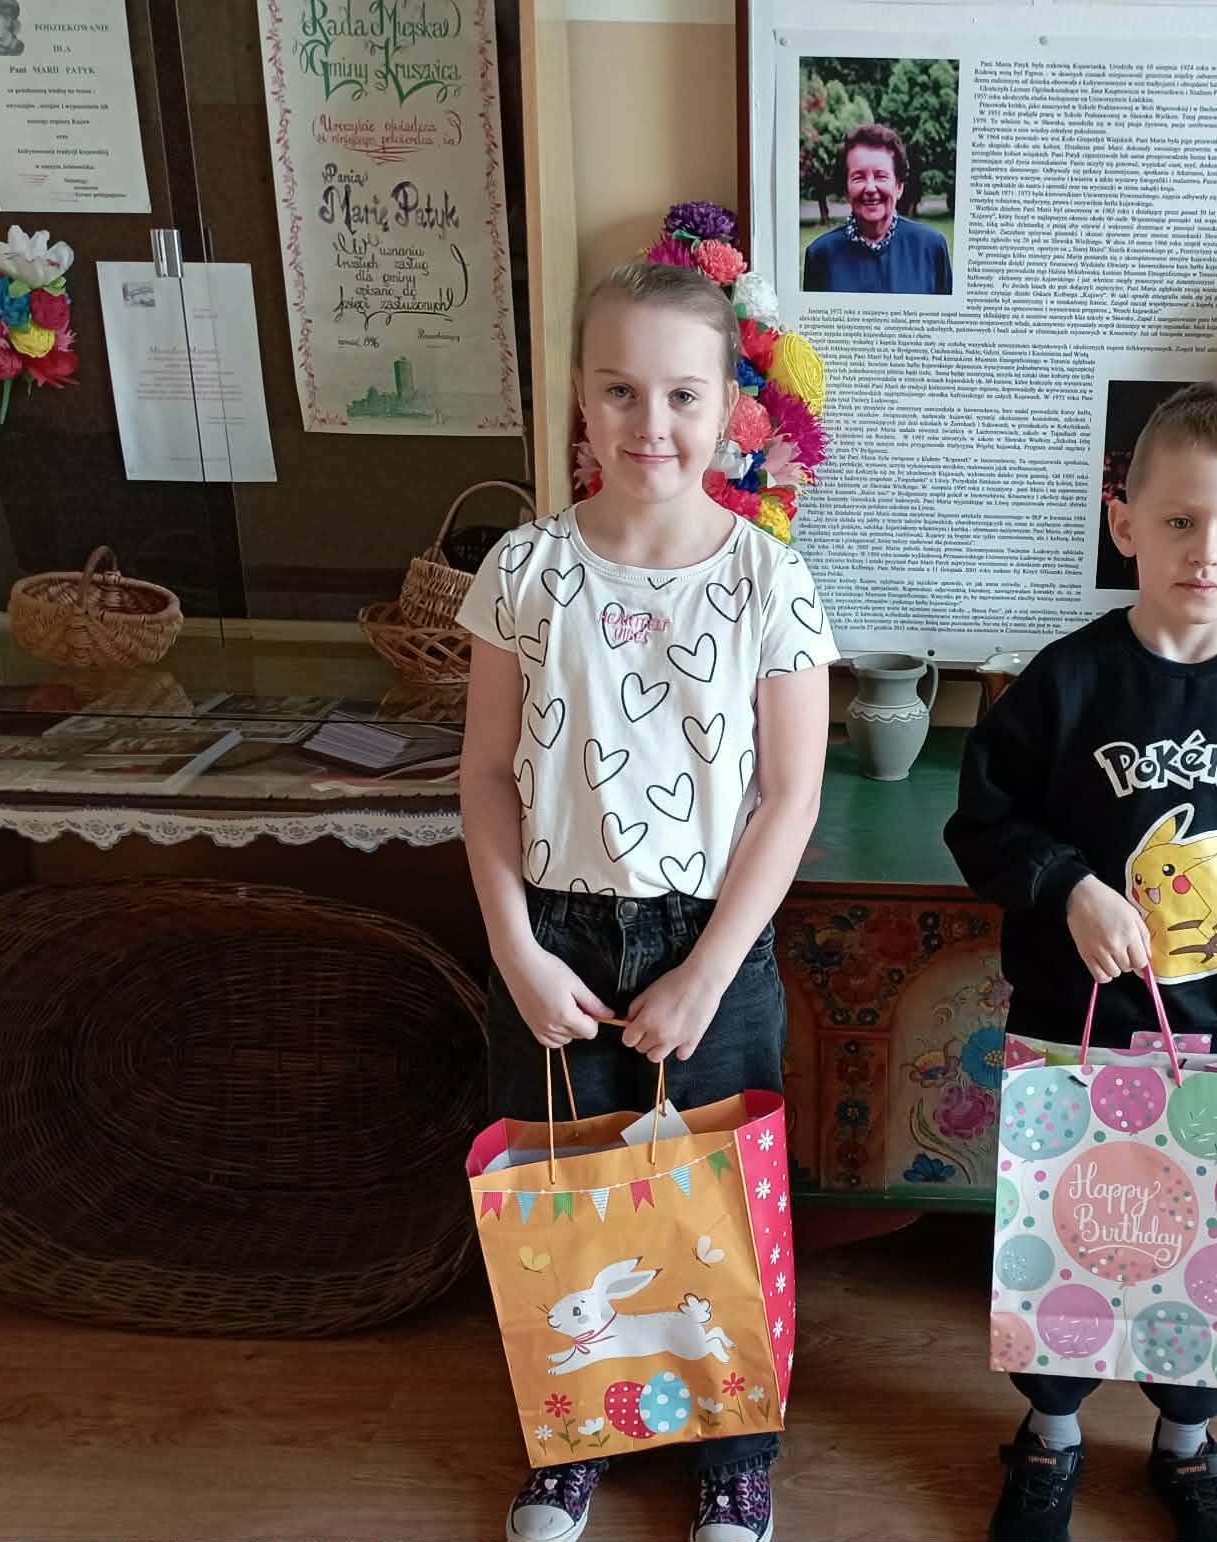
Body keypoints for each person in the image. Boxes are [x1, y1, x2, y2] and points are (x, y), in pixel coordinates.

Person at [456, 261, 835, 1542]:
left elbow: (789, 797)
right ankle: (573, 1434)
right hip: (554, 932)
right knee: (562, 1193)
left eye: (681, 394)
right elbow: (484, 774)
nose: (649, 423)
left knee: (714, 1200)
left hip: (705, 938)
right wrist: (514, 947)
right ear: (580, 395)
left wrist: (708, 971)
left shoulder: (769, 580)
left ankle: (732, 1453)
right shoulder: (525, 568)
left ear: (729, 406)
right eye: (618, 390)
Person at [944, 381, 1217, 1542]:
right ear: (1123, 523)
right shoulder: (1062, 683)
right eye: (1177, 521)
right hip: (1074, 1030)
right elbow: (981, 824)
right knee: (1071, 1237)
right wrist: (1067, 884)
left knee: (1191, 1254)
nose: (1204, 551)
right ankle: (1049, 1436)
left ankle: (1186, 1447)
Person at [802, 123, 953, 296]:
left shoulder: (931, 247)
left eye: (881, 176)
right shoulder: (820, 255)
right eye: (859, 177)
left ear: (899, 187)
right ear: (846, 191)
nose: (870, 188)